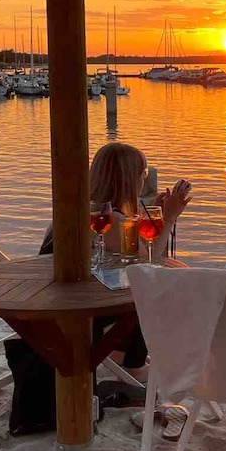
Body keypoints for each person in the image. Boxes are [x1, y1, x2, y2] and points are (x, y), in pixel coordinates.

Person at [39, 143, 193, 380]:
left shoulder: (79, 210)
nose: (144, 180)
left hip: (57, 300)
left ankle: (121, 355)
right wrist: (169, 218)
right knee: (149, 288)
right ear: (128, 179)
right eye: (142, 174)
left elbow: (133, 254)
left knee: (132, 283)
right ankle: (132, 364)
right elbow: (147, 261)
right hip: (73, 311)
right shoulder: (113, 221)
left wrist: (153, 216)